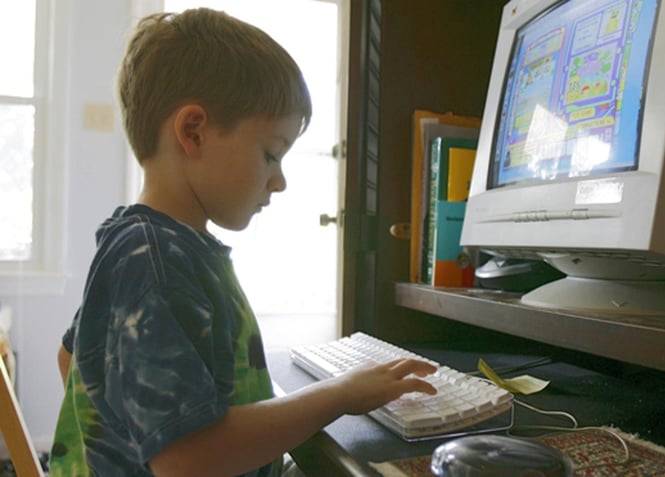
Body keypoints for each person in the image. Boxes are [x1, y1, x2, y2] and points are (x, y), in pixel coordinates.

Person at [49, 8, 436, 477]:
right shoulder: (155, 260)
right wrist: (341, 394)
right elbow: (188, 461)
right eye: (270, 153)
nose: (279, 182)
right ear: (194, 132)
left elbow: (74, 357)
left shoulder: (151, 245)